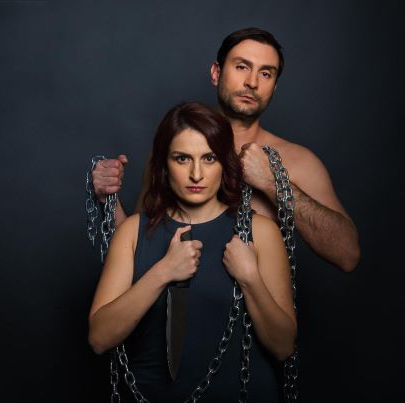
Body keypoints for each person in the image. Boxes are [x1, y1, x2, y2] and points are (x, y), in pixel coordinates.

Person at [91, 27, 360, 272]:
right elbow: (138, 252)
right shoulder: (176, 150)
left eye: (266, 73)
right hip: (174, 307)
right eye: (242, 67)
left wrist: (272, 183)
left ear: (274, 86)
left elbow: (347, 255)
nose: (252, 82)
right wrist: (109, 201)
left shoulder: (297, 161)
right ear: (216, 73)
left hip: (252, 309)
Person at [88, 102, 297, 402]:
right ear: (164, 163)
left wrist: (250, 278)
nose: (196, 174)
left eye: (209, 158)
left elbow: (283, 347)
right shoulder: (132, 232)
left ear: (224, 162)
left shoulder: (260, 233)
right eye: (182, 158)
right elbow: (99, 338)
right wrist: (163, 272)